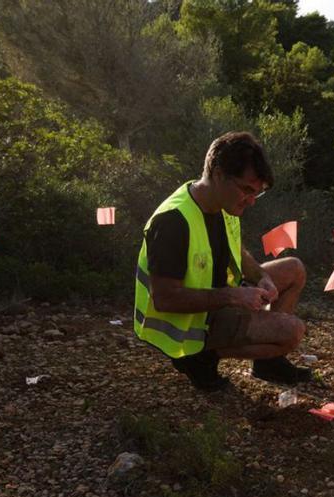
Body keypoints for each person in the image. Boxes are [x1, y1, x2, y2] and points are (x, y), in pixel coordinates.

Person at [133, 131, 311, 391]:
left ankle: (268, 363)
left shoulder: (224, 205)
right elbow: (165, 299)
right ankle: (200, 357)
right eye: (246, 190)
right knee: (292, 331)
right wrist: (233, 297)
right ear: (218, 174)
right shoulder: (173, 221)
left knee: (294, 269)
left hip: (217, 301)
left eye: (257, 194)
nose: (251, 201)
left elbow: (236, 252)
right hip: (188, 325)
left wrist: (260, 276)